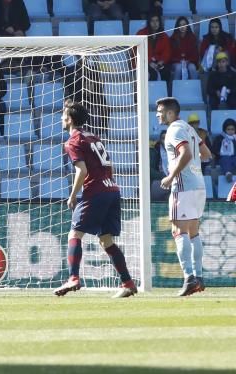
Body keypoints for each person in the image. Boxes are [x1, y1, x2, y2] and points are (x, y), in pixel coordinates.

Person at [52, 101, 139, 298]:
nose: (61, 118)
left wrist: (73, 196)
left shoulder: (73, 141)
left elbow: (81, 170)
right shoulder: (93, 137)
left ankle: (73, 277)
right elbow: (110, 164)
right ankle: (128, 282)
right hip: (112, 189)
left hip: (96, 191)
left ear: (70, 119)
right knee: (106, 240)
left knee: (74, 234)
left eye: (63, 115)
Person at [155, 97, 212, 297]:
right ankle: (199, 277)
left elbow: (186, 153)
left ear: (170, 113)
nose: (157, 114)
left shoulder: (175, 129)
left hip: (183, 186)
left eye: (160, 111)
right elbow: (206, 154)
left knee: (178, 231)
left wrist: (171, 176)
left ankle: (189, 278)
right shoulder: (189, 128)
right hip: (199, 186)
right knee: (193, 232)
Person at [136, 14, 172, 83]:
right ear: (149, 22)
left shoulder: (164, 36)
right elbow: (138, 51)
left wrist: (161, 61)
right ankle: (151, 93)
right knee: (153, 74)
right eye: (152, 21)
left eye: (157, 21)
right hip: (144, 61)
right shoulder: (141, 33)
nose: (155, 23)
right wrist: (149, 62)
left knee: (166, 72)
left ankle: (164, 92)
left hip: (158, 62)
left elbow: (167, 52)